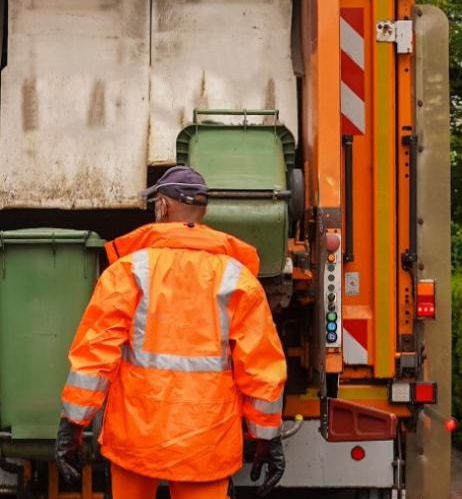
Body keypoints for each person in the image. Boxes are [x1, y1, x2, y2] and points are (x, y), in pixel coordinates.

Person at [54, 166, 287, 499]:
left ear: (162, 207)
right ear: (202, 211)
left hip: (135, 438)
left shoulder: (128, 272)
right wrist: (267, 436)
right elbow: (261, 368)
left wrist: (73, 424)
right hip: (206, 443)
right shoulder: (238, 280)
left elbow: (95, 356)